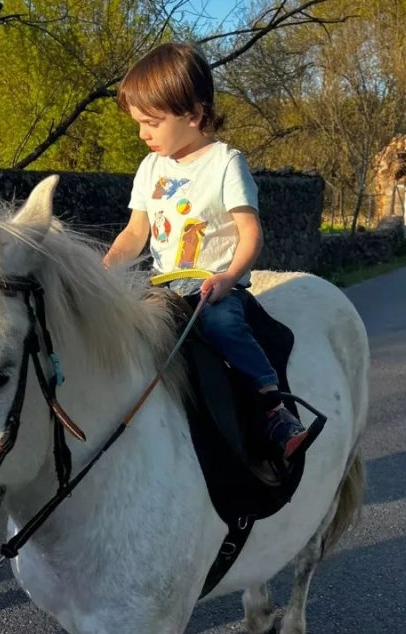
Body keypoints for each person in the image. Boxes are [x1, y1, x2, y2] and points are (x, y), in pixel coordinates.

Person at [103, 42, 308, 460]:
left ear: (193, 115)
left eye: (152, 123)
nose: (143, 133)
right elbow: (135, 232)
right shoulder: (150, 168)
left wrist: (229, 278)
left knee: (222, 328)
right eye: (139, 122)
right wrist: (103, 269)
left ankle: (273, 405)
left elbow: (250, 233)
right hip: (161, 286)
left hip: (212, 286)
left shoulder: (226, 164)